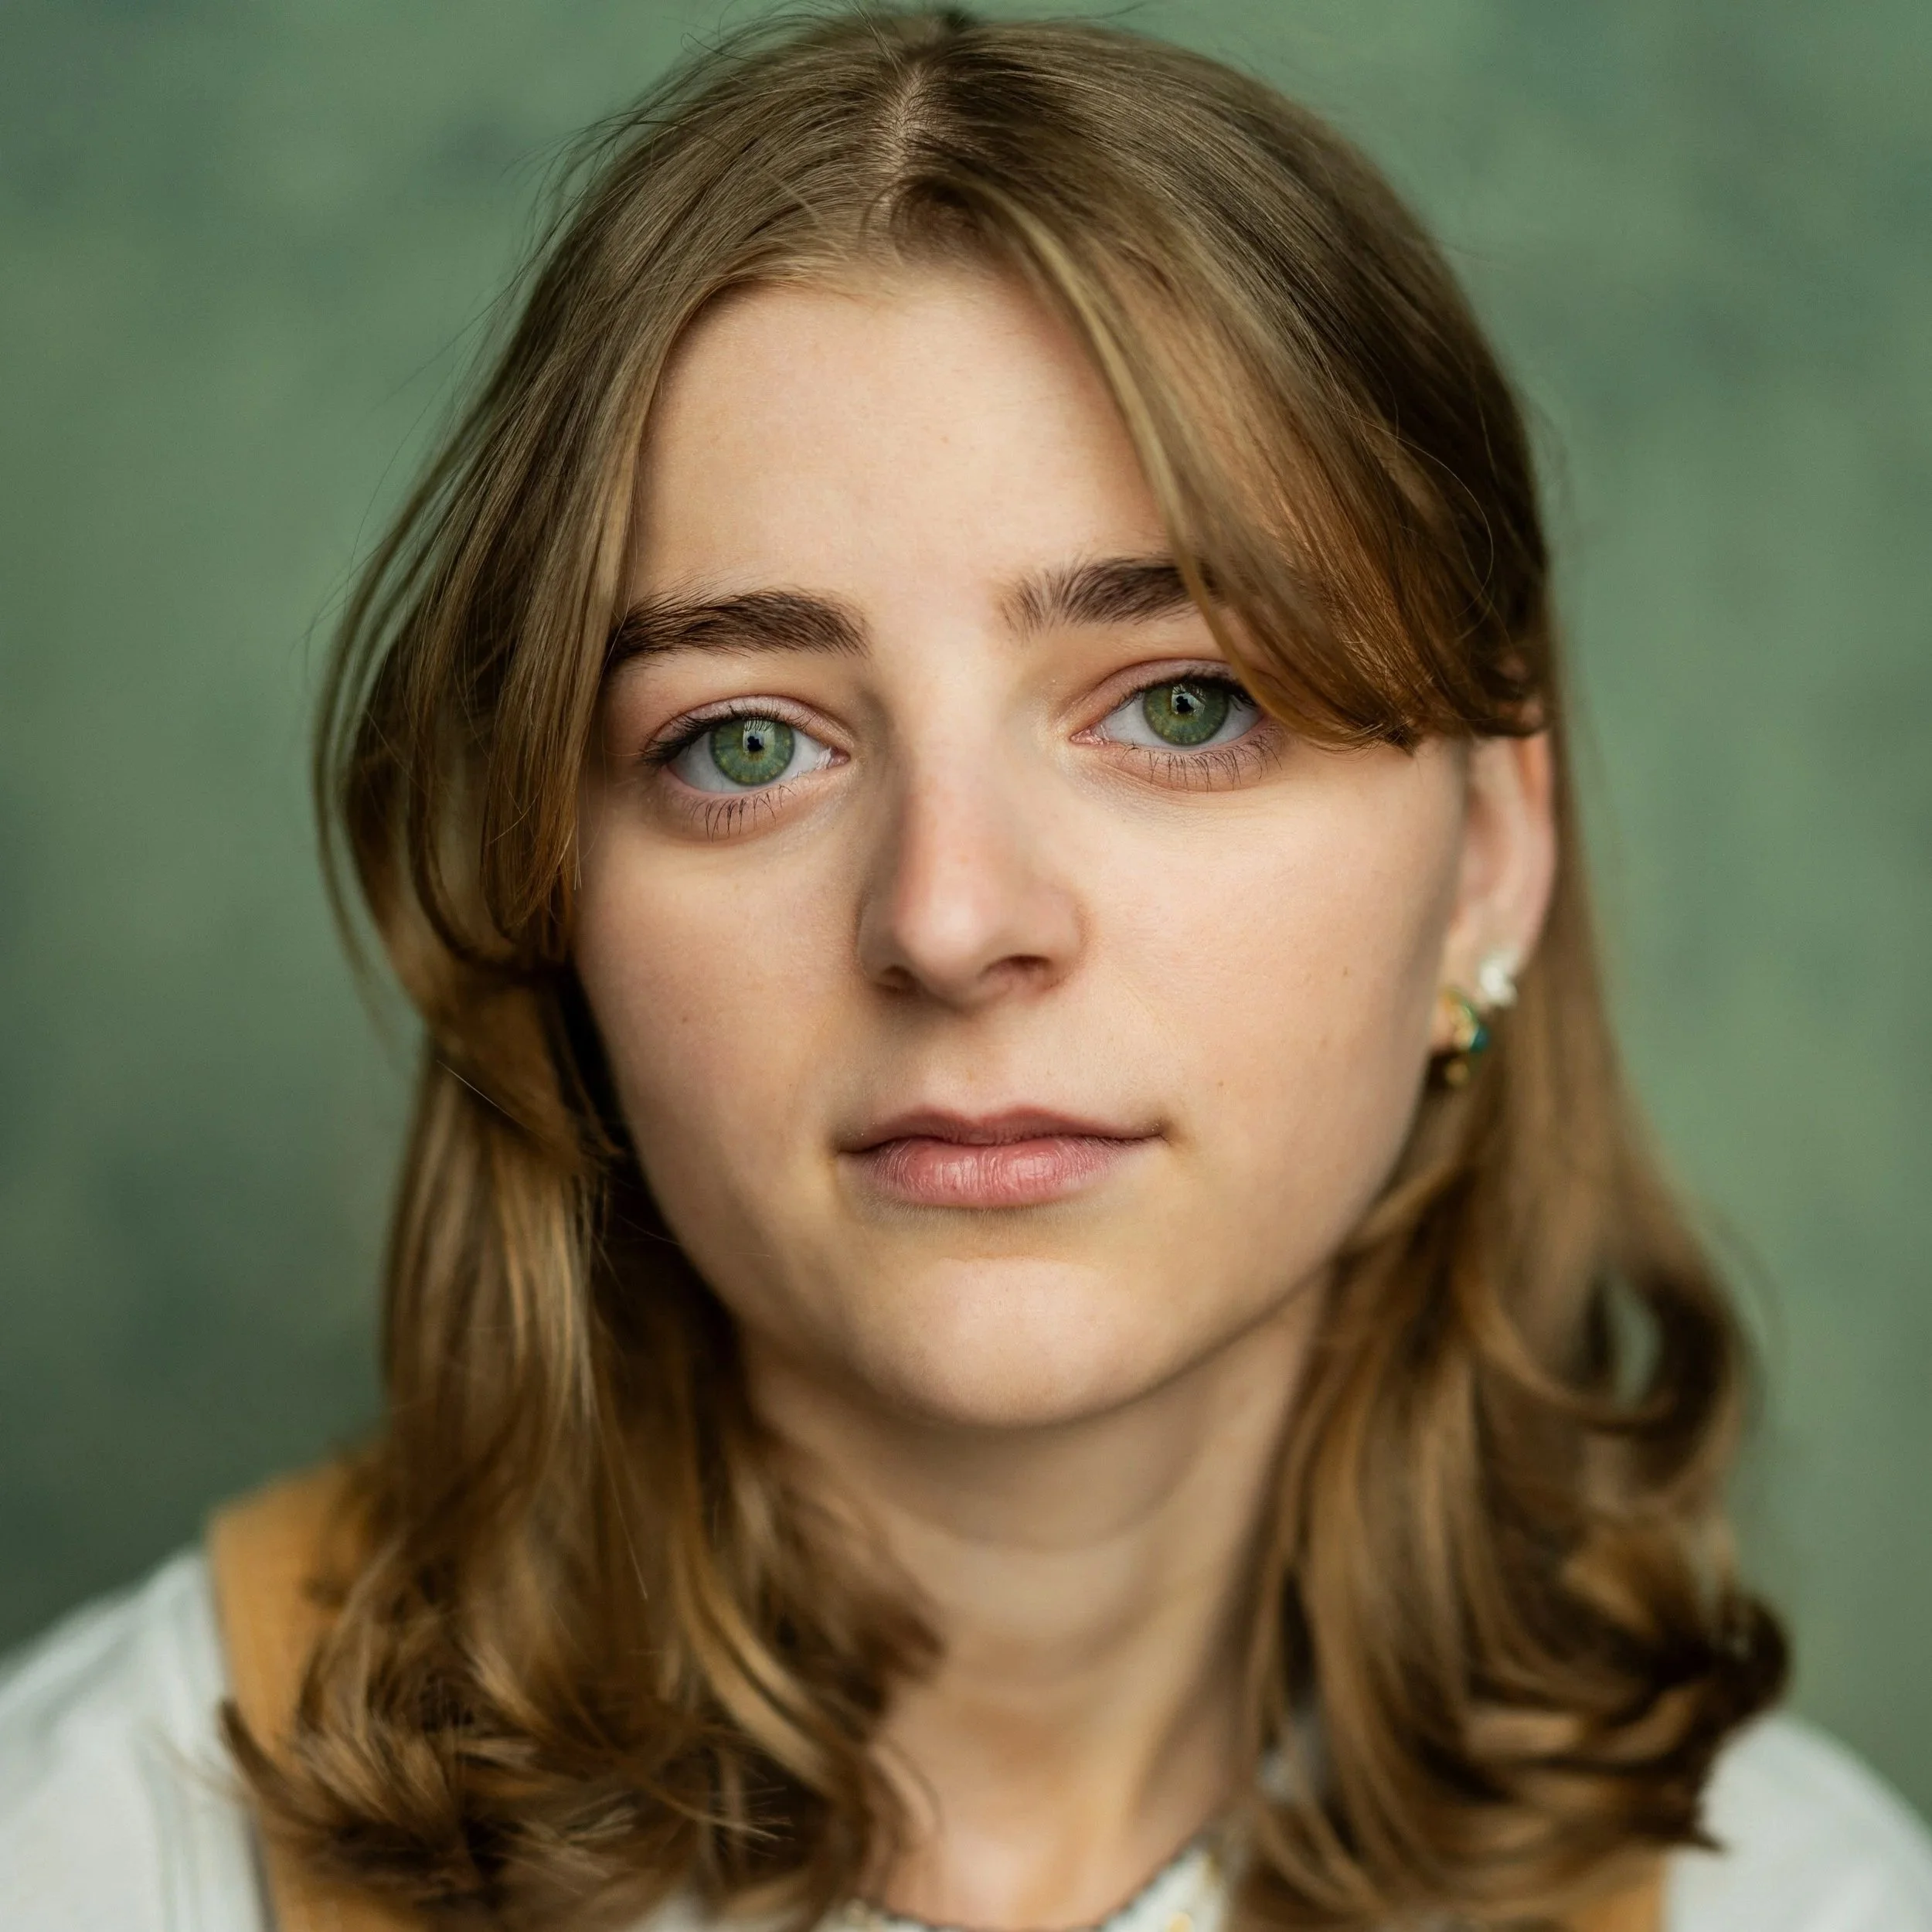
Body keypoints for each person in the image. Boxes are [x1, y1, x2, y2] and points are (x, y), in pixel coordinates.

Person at [3, 8, 1930, 1930]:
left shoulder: (1804, 1899)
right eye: (745, 740)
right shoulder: (95, 1850)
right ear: (553, 892)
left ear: (1486, 854)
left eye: (1181, 704)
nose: (944, 917)